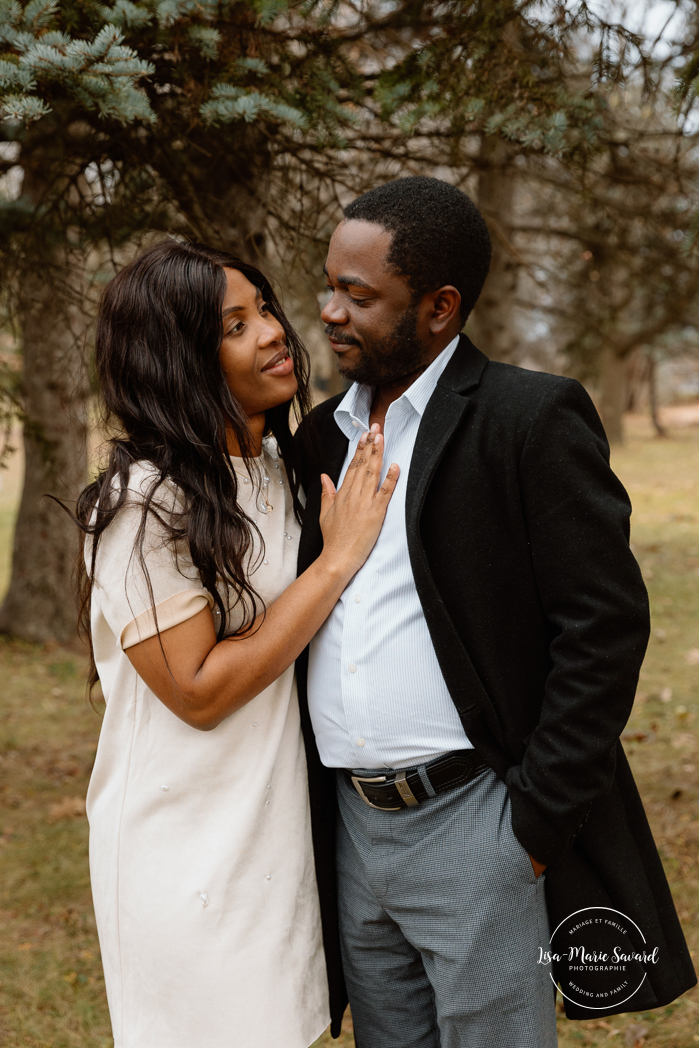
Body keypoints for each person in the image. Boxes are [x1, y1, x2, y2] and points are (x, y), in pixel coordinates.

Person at [295, 177, 697, 1047]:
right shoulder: (320, 436)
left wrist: (532, 825)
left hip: (475, 822)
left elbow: (604, 627)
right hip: (352, 831)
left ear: (439, 308)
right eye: (328, 285)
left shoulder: (527, 417)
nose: (329, 311)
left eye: (357, 295)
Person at [72, 239, 399, 1048]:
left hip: (276, 837)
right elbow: (199, 691)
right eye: (234, 324)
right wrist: (336, 563)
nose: (274, 332)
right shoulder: (145, 504)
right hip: (182, 851)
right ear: (178, 359)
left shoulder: (283, 471)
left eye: (265, 310)